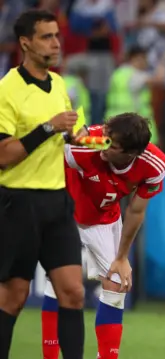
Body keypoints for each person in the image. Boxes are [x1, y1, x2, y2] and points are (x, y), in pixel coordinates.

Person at [40, 113, 165, 359]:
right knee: (59, 283)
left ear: (131, 153)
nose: (103, 145)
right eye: (105, 137)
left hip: (102, 218)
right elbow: (52, 160)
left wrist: (122, 256)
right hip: (64, 214)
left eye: (112, 144)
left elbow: (136, 210)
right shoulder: (89, 145)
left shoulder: (154, 165)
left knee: (117, 283)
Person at [0, 10, 85, 359]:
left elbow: (64, 136)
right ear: (25, 43)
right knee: (13, 297)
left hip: (56, 201)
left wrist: (84, 139)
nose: (56, 42)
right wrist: (48, 128)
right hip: (18, 204)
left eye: (57, 35)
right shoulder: (7, 90)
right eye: (47, 36)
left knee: (74, 292)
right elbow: (5, 154)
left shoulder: (59, 83)